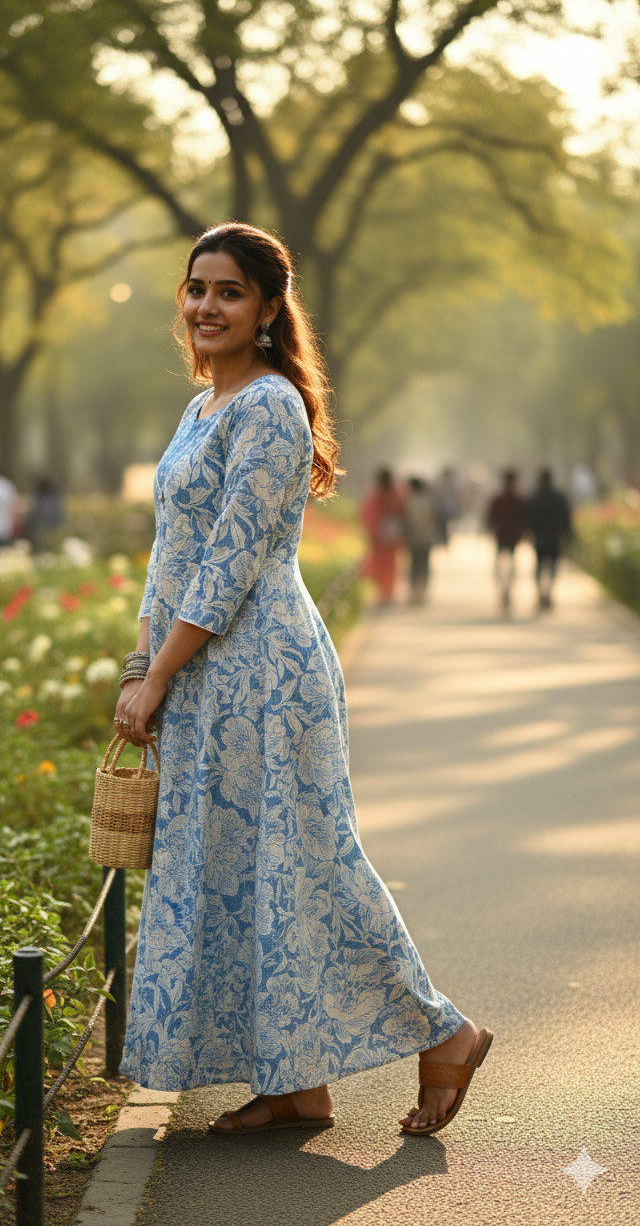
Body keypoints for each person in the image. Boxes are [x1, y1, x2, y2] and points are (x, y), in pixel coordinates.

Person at [114, 221, 491, 1138]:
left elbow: (232, 561)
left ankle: (446, 1031)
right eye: (197, 288)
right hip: (203, 669)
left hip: (263, 673)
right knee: (249, 869)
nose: (207, 306)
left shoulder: (270, 408)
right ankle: (294, 1084)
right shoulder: (202, 409)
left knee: (306, 861)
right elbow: (173, 555)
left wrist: (157, 675)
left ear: (269, 309)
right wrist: (142, 660)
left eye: (230, 292)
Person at [526, 468, 572, 610]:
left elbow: (528, 517)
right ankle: (549, 592)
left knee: (539, 565)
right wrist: (568, 533)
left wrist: (529, 532)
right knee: (552, 566)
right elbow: (566, 517)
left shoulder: (535, 496)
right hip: (554, 537)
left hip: (540, 537)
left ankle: (541, 592)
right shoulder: (558, 497)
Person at [360, 468, 405, 604]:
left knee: (381, 564)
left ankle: (384, 592)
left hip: (379, 536)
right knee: (389, 565)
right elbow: (401, 511)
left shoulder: (374, 494)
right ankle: (387, 592)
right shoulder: (396, 493)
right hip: (390, 536)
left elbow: (367, 515)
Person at [487, 468, 526, 614]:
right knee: (510, 566)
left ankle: (504, 592)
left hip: (502, 536)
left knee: (501, 566)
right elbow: (523, 519)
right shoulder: (518, 499)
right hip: (512, 536)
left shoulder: (499, 498)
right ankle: (507, 592)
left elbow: (490, 518)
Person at [404, 477, 439, 604]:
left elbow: (407, 522)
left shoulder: (409, 502)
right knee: (423, 565)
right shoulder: (428, 502)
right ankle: (422, 592)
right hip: (425, 538)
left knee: (414, 566)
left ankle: (414, 593)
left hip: (414, 539)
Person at [28, 476, 64, 553]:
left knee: (40, 551)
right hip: (53, 530)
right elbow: (59, 516)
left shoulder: (38, 499)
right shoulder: (55, 499)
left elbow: (33, 514)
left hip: (39, 530)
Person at [432, 466, 461, 545]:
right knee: (446, 526)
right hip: (447, 509)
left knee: (444, 526)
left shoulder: (440, 483)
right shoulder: (451, 484)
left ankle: (444, 539)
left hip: (443, 509)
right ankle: (444, 540)